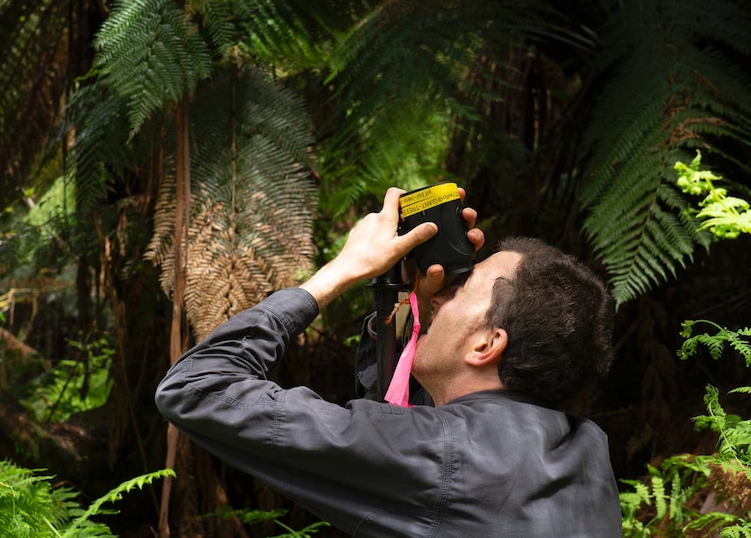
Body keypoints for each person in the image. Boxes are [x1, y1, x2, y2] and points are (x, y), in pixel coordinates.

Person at [155, 187, 621, 537]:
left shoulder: (439, 456)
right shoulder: (587, 451)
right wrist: (406, 306)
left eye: (462, 290)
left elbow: (197, 387)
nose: (443, 297)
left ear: (486, 345)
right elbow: (414, 421)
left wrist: (343, 270)